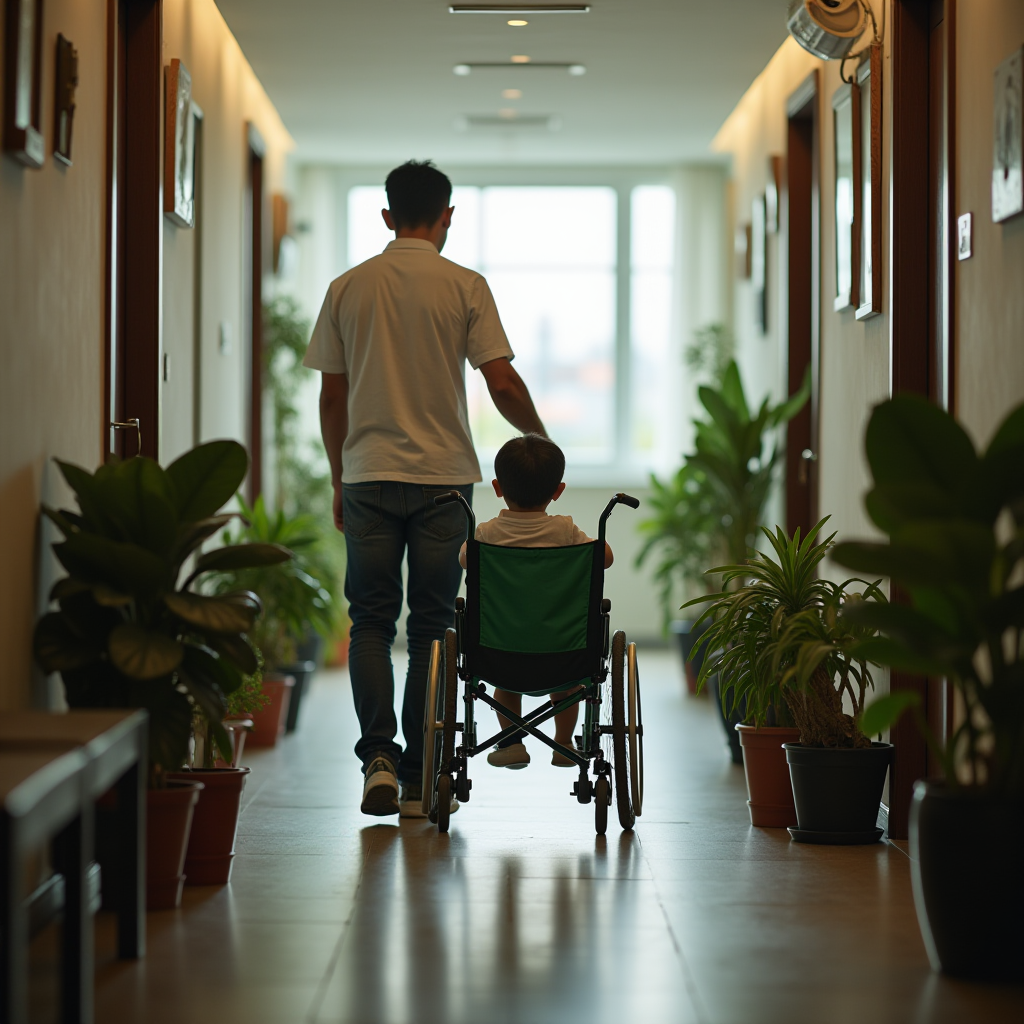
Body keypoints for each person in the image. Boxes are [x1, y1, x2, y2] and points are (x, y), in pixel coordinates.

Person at [303, 160, 546, 817]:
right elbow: (501, 383)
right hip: (443, 482)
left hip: (368, 474)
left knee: (370, 624)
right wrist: (540, 438)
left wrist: (338, 474)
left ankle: (377, 757)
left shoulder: (347, 288)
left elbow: (332, 396)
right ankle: (418, 775)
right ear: (446, 217)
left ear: (387, 216)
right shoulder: (465, 285)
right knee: (433, 627)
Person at [458, 434, 614, 770]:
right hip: (565, 655)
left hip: (498, 655)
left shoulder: (485, 534)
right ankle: (562, 742)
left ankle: (512, 742)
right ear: (557, 491)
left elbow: (464, 560)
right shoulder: (566, 532)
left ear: (498, 487)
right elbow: (606, 557)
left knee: (506, 685)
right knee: (570, 687)